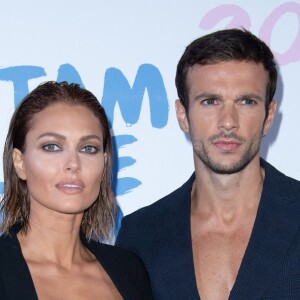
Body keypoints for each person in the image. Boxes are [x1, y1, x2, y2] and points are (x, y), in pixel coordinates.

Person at [116, 28, 300, 299]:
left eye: (246, 101)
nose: (228, 121)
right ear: (183, 115)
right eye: (210, 101)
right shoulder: (141, 235)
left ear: (269, 115)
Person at [0, 81, 153, 300]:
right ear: (20, 163)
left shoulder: (129, 270)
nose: (73, 163)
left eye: (88, 148)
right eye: (51, 146)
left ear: (104, 163)